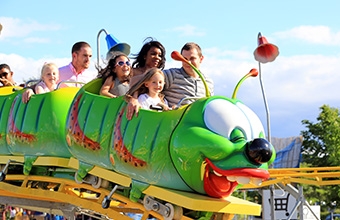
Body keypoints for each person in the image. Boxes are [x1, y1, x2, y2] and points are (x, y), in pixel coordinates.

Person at [126, 42, 214, 119]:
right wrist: (134, 99)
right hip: (174, 126)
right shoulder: (172, 75)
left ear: (201, 59)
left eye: (192, 58)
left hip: (198, 124)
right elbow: (142, 82)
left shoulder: (208, 82)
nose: (188, 62)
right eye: (185, 59)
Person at [22, 41, 94, 103]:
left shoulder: (91, 77)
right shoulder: (57, 73)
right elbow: (40, 84)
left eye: (90, 56)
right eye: (85, 55)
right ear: (74, 55)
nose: (88, 59)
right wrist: (29, 90)